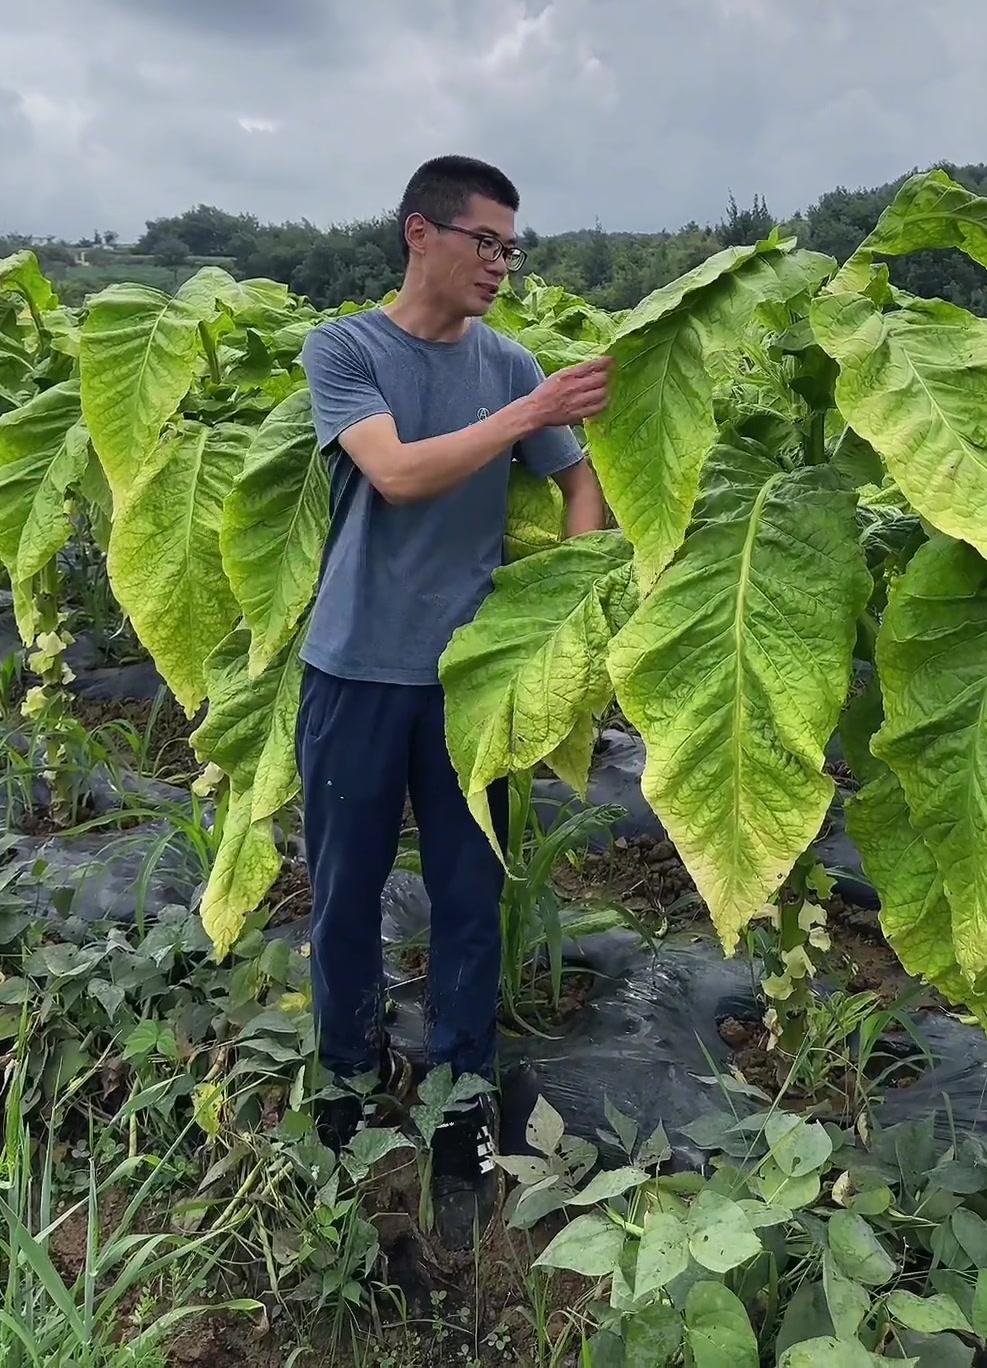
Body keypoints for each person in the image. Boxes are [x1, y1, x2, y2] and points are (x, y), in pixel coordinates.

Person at [297, 154, 610, 1248]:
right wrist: (527, 409)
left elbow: (578, 480)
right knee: (344, 896)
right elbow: (396, 473)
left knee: (473, 903)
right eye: (489, 244)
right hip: (353, 672)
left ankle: (461, 1105)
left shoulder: (510, 360)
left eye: (514, 249)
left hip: (473, 687)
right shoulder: (346, 349)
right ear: (420, 233)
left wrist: (565, 604)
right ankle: (344, 1085)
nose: (503, 266)